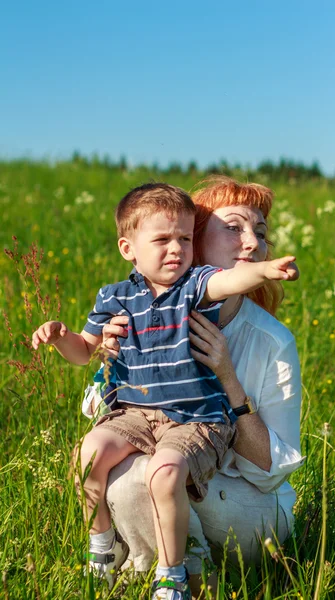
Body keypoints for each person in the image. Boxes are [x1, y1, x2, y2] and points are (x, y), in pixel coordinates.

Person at [31, 182, 298, 598]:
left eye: (261, 233)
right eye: (234, 228)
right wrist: (105, 358)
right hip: (157, 448)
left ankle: (180, 577)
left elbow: (272, 470)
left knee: (152, 474)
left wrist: (228, 377)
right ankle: (111, 555)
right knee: (103, 459)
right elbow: (89, 371)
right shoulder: (124, 305)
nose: (252, 243)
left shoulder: (266, 335)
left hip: (247, 505)